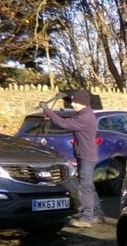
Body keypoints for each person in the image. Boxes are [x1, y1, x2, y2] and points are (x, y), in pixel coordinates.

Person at [40, 88, 103, 227]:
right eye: (72, 102)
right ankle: (97, 214)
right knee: (89, 186)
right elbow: (77, 104)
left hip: (86, 156)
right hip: (86, 155)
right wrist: (66, 98)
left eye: (75, 103)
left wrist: (47, 110)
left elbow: (62, 123)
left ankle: (87, 219)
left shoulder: (84, 118)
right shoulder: (86, 111)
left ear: (82, 104)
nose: (73, 105)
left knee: (85, 187)